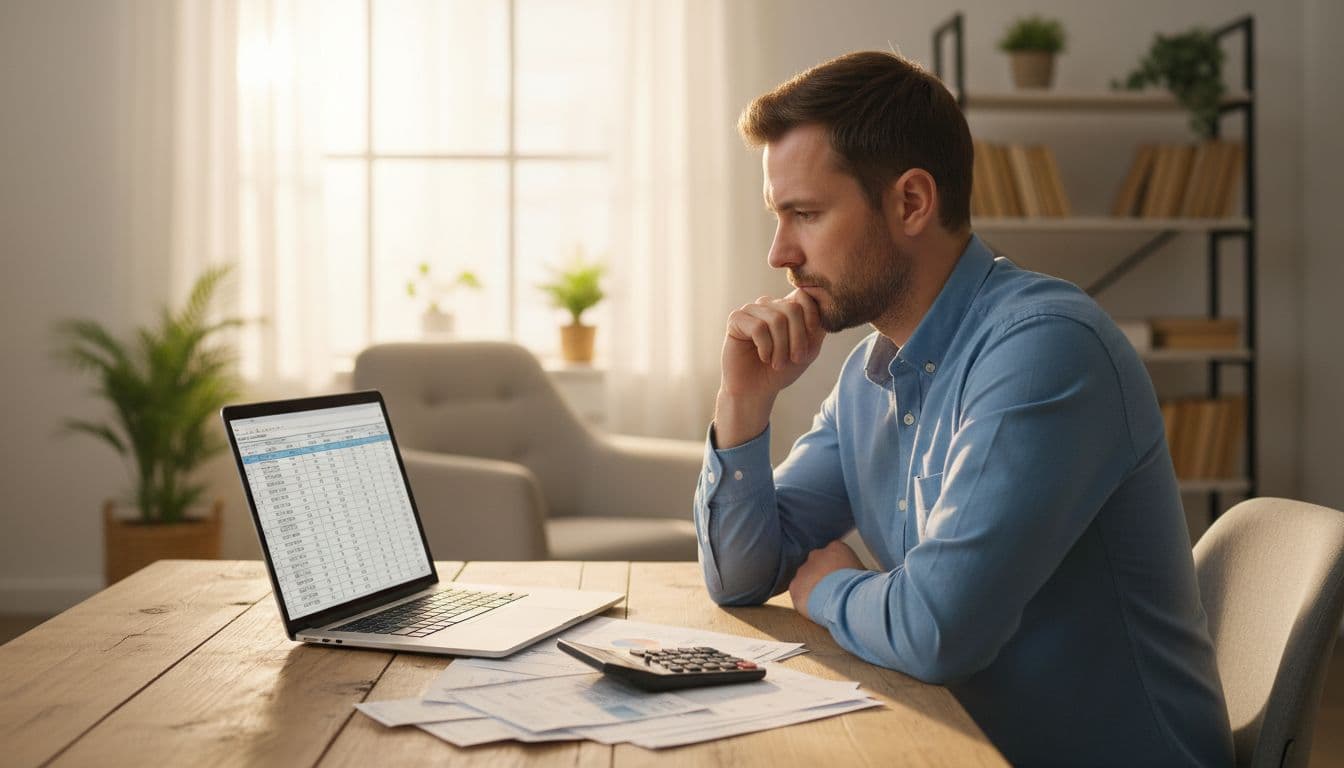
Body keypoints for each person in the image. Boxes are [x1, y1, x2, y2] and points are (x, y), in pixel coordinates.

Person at [692, 50, 1234, 766]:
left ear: (912, 202)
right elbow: (739, 576)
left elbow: (937, 630)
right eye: (778, 215)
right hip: (954, 743)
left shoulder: (1046, 352)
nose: (779, 254)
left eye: (806, 214)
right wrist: (744, 401)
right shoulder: (867, 376)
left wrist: (828, 589)